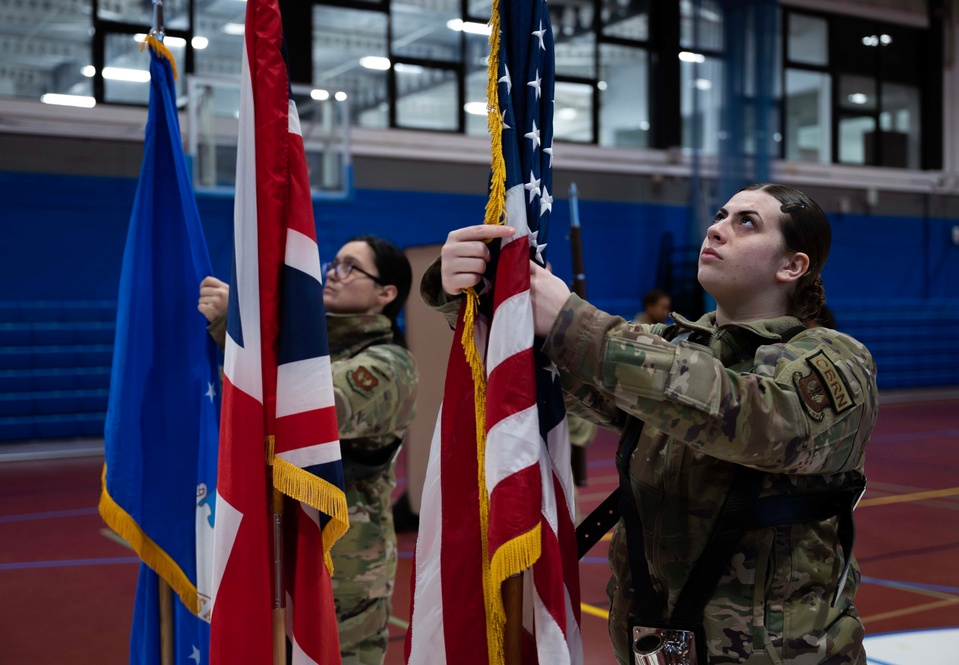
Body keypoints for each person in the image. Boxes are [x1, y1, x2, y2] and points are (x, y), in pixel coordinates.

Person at [424, 183, 877, 664]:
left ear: (793, 266)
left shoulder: (837, 359)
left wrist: (571, 320)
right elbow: (549, 380)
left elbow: (756, 418)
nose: (718, 228)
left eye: (747, 222)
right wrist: (477, 294)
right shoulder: (675, 344)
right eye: (720, 215)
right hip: (656, 649)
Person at [199, 235, 417, 665]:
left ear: (385, 294)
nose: (333, 273)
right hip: (276, 545)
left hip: (344, 566)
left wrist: (238, 329)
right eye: (334, 262)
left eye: (352, 267)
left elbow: (305, 412)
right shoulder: (308, 347)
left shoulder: (390, 366)